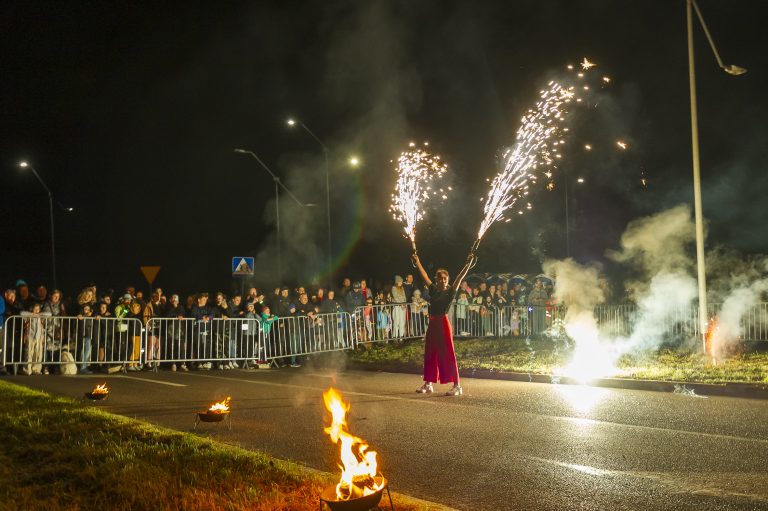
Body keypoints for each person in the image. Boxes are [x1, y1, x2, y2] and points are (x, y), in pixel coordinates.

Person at [412, 252, 476, 396]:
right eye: (440, 278)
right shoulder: (433, 289)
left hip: (443, 323)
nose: (442, 280)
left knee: (448, 354)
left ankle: (457, 385)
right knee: (430, 354)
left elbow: (460, 277)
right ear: (436, 279)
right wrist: (417, 261)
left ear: (448, 280)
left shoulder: (451, 291)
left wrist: (468, 264)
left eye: (445, 278)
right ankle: (428, 383)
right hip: (432, 324)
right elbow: (424, 276)